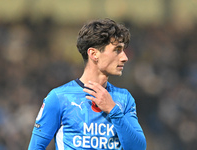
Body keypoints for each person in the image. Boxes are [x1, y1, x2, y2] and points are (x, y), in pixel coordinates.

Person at [28, 18, 146, 150]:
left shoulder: (124, 98)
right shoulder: (59, 98)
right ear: (94, 54)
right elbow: (35, 147)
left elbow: (138, 148)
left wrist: (113, 110)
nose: (124, 57)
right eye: (117, 50)